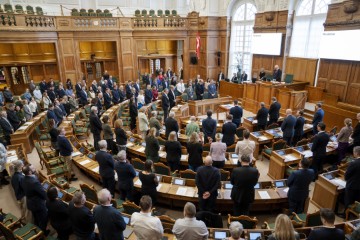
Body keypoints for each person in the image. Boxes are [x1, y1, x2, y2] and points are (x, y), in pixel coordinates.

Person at [22, 164, 48, 232]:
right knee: (43, 219)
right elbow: (43, 193)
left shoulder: (22, 179)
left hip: (30, 202)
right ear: (30, 172)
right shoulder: (34, 182)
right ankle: (43, 233)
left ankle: (37, 230)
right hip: (38, 204)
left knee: (36, 218)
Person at [344, 146, 360, 211]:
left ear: (356, 153)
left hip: (352, 185)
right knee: (356, 200)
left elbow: (347, 175)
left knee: (348, 200)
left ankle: (345, 214)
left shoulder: (354, 163)